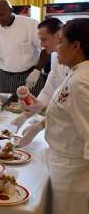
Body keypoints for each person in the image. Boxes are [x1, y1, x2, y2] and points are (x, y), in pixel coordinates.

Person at [42, 18, 89, 214]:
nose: (56, 48)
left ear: (76, 46)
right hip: (63, 164)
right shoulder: (75, 73)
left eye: (60, 42)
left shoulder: (80, 82)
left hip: (74, 171)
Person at [0, 0, 49, 99]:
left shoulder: (31, 25)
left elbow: (46, 48)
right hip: (7, 78)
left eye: (2, 14)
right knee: (7, 110)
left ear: (11, 10)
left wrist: (37, 70)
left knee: (33, 107)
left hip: (30, 75)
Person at [10, 18, 70, 146]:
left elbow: (66, 106)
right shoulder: (55, 56)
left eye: (44, 39)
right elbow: (49, 90)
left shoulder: (74, 62)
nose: (41, 45)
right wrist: (27, 115)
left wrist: (39, 125)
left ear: (58, 35)